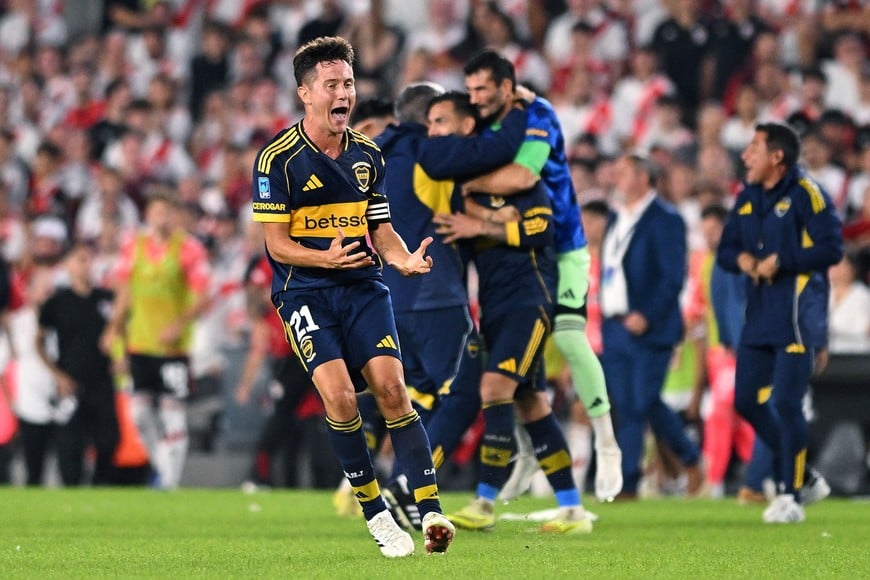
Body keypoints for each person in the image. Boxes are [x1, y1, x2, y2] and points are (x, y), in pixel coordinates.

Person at [250, 36, 453, 557]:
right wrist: (326, 259)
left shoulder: (368, 156)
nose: (344, 94)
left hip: (362, 286)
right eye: (332, 85)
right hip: (306, 294)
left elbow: (380, 230)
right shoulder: (276, 160)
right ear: (306, 94)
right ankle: (375, 513)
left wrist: (403, 258)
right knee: (340, 399)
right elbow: (276, 244)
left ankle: (431, 511)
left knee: (392, 392)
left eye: (349, 84)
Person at [452, 50, 623, 503]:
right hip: (516, 258)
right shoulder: (486, 122)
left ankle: (607, 443)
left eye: (482, 89)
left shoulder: (538, 114)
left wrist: (463, 184)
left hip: (563, 245)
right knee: (521, 374)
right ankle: (527, 457)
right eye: (470, 90)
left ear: (506, 88)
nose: (476, 98)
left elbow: (522, 175)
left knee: (568, 338)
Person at [432, 91, 593, 534]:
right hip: (496, 307)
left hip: (532, 298)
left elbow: (543, 228)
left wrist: (482, 225)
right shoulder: (463, 192)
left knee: (494, 386)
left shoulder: (520, 183)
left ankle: (484, 502)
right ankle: (573, 510)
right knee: (532, 405)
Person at [717, 122, 843, 523]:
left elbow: (832, 249)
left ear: (776, 157)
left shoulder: (807, 194)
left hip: (797, 314)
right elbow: (726, 250)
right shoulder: (748, 195)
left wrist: (783, 262)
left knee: (786, 403)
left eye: (753, 148)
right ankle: (803, 476)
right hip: (759, 314)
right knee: (745, 402)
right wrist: (743, 261)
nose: (744, 155)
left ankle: (790, 496)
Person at [599, 154, 704, 500]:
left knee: (640, 402)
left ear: (645, 177)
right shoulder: (617, 217)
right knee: (628, 405)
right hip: (614, 326)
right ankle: (673, 463)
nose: (617, 176)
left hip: (649, 327)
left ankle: (635, 479)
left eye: (625, 171)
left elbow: (673, 276)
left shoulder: (665, 219)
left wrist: (647, 313)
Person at [102, 193, 211, 490]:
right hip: (140, 343)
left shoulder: (189, 249)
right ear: (148, 215)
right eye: (155, 211)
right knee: (139, 413)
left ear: (174, 216)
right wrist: (113, 327)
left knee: (172, 411)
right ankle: (163, 468)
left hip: (173, 348)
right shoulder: (133, 246)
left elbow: (203, 297)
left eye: (166, 212)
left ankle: (169, 482)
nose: (160, 217)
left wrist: (178, 324)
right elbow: (124, 290)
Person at [37, 241, 119, 486]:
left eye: (88, 259)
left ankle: (100, 486)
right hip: (70, 382)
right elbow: (38, 342)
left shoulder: (106, 299)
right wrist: (57, 375)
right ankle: (71, 494)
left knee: (109, 439)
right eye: (79, 260)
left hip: (102, 380)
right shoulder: (57, 302)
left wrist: (119, 355)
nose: (85, 265)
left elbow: (122, 327)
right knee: (70, 445)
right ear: (68, 265)